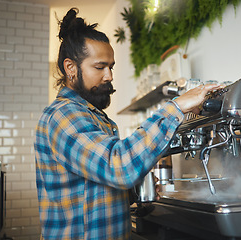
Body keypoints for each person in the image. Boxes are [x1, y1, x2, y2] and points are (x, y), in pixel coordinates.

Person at [34, 8, 221, 240]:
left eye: (111, 67)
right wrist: (176, 106)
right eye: (100, 67)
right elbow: (118, 167)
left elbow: (99, 186)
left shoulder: (93, 116)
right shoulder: (64, 115)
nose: (109, 76)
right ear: (71, 68)